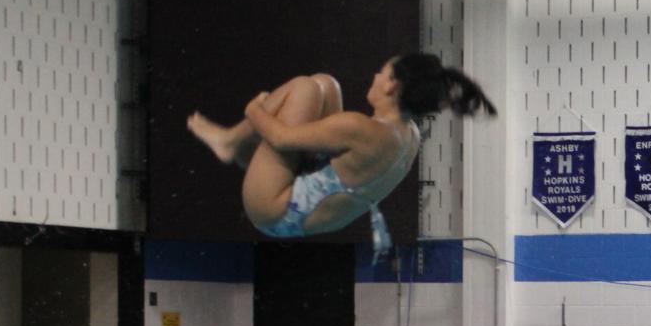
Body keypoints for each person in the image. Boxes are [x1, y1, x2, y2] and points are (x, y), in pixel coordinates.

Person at [187, 53, 495, 261]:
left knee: (305, 87)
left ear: (392, 85)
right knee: (326, 83)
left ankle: (229, 141)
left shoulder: (360, 129)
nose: (375, 75)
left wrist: (254, 108)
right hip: (313, 213)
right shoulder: (409, 136)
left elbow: (279, 136)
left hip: (273, 208)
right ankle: (234, 145)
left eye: (382, 71)